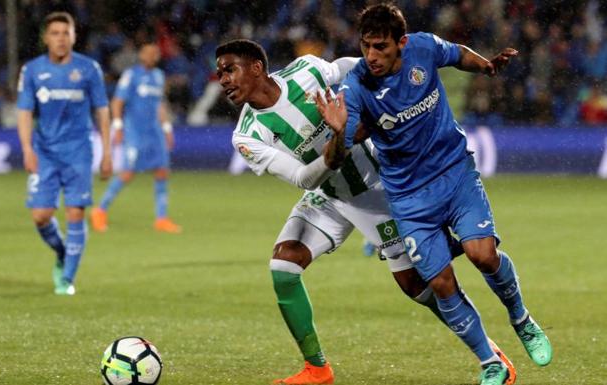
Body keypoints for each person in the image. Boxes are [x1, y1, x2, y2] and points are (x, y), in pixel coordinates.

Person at [216, 39, 515, 385]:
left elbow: (351, 67)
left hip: (379, 189)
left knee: (418, 286)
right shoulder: (247, 135)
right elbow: (301, 177)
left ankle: (491, 356)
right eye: (219, 73)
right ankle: (317, 370)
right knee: (284, 266)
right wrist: (336, 147)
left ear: (256, 67)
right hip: (328, 195)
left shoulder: (307, 70)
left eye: (229, 69)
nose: (223, 79)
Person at [316, 4, 552, 385]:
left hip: (454, 173)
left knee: (483, 255)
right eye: (366, 46)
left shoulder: (423, 49)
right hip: (409, 197)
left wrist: (487, 66)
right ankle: (490, 361)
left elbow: (457, 54)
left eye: (381, 47)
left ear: (402, 43)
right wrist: (338, 132)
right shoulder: (355, 88)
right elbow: (335, 158)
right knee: (440, 283)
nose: (371, 56)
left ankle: (521, 319)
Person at [17, 12, 112, 295]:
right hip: (45, 151)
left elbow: (102, 111)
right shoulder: (32, 70)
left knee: (74, 212)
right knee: (41, 216)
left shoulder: (88, 69)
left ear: (74, 36)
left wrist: (106, 152)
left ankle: (67, 278)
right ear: (46, 38)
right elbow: (24, 111)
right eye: (55, 33)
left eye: (65, 32)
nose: (61, 38)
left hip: (79, 151)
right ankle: (62, 253)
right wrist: (26, 149)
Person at [90, 42, 181, 234]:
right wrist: (118, 126)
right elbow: (117, 102)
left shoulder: (158, 76)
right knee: (127, 173)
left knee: (162, 171)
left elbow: (160, 105)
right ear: (141, 55)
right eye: (149, 53)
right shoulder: (131, 75)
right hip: (135, 131)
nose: (153, 56)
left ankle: (161, 218)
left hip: (154, 132)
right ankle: (100, 210)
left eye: (156, 53)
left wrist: (166, 128)